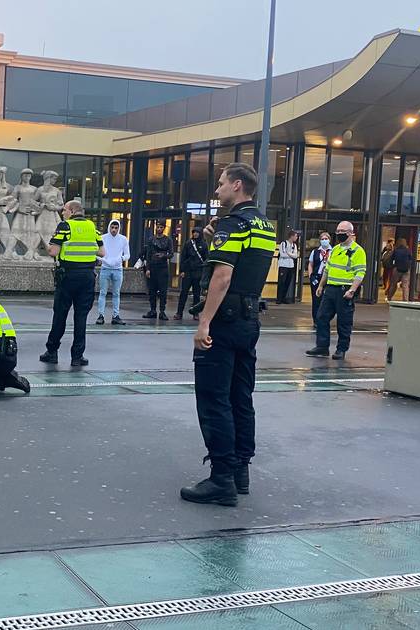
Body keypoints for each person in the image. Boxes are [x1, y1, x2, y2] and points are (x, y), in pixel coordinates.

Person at [180, 163, 275, 507]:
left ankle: (221, 479)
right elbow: (246, 263)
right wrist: (212, 240)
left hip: (224, 320)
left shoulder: (232, 224)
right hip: (250, 319)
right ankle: (239, 471)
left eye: (221, 184)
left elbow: (222, 276)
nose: (217, 190)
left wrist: (204, 322)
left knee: (213, 398)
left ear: (237, 186)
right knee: (240, 396)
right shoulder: (264, 225)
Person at [40, 200, 103, 367]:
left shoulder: (65, 226)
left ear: (73, 211)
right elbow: (102, 251)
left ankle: (52, 352)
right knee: (81, 317)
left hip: (68, 276)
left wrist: (47, 246)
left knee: (60, 315)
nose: (62, 213)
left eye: (65, 210)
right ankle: (77, 356)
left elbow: (53, 251)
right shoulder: (92, 227)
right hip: (88, 277)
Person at [306, 221, 366, 360]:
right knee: (321, 317)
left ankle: (341, 349)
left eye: (342, 231)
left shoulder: (358, 251)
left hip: (345, 291)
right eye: (338, 231)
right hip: (331, 289)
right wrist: (321, 285)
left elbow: (360, 273)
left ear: (351, 233)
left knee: (344, 322)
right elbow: (327, 269)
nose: (339, 234)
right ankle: (322, 346)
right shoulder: (336, 249)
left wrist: (352, 290)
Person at [95, 219, 129, 325]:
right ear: (109, 227)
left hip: (118, 269)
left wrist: (120, 259)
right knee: (103, 292)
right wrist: (104, 260)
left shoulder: (123, 239)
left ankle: (116, 315)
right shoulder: (103, 238)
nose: (114, 230)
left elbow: (128, 255)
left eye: (116, 228)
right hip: (105, 268)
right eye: (112, 227)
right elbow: (96, 252)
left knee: (116, 293)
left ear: (119, 228)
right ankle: (101, 315)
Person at [139, 222, 174, 320]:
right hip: (153, 267)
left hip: (163, 267)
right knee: (152, 290)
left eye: (161, 227)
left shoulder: (168, 240)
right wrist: (148, 269)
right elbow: (148, 255)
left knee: (163, 291)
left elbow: (171, 254)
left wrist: (164, 256)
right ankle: (153, 310)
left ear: (164, 228)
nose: (159, 229)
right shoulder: (151, 239)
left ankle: (162, 311)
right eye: (158, 227)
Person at [175, 224, 207, 320]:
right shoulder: (188, 243)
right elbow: (183, 257)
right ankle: (179, 313)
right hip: (188, 271)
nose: (195, 234)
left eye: (197, 232)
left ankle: (195, 313)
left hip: (198, 271)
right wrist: (182, 270)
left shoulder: (204, 244)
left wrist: (204, 273)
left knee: (196, 294)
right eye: (194, 232)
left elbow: (206, 259)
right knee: (183, 293)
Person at [306, 231, 331, 320]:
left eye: (326, 239)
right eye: (322, 239)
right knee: (316, 300)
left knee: (327, 300)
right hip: (317, 277)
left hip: (328, 278)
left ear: (329, 240)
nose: (324, 241)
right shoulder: (315, 252)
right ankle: (316, 319)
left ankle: (324, 318)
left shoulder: (333, 251)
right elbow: (310, 264)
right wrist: (310, 276)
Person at [385, 238, 413, 302]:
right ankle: (405, 300)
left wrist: (391, 266)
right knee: (405, 285)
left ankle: (389, 297)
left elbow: (391, 259)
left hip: (397, 269)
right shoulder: (408, 250)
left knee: (393, 284)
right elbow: (411, 259)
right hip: (406, 270)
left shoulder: (396, 250)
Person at [275, 229, 299, 304]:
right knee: (281, 282)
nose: (297, 238)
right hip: (283, 265)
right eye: (296, 236)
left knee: (287, 282)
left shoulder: (294, 245)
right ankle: (279, 299)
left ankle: (283, 298)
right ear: (291, 236)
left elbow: (295, 256)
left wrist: (288, 253)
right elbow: (282, 254)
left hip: (290, 266)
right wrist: (290, 255)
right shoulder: (283, 243)